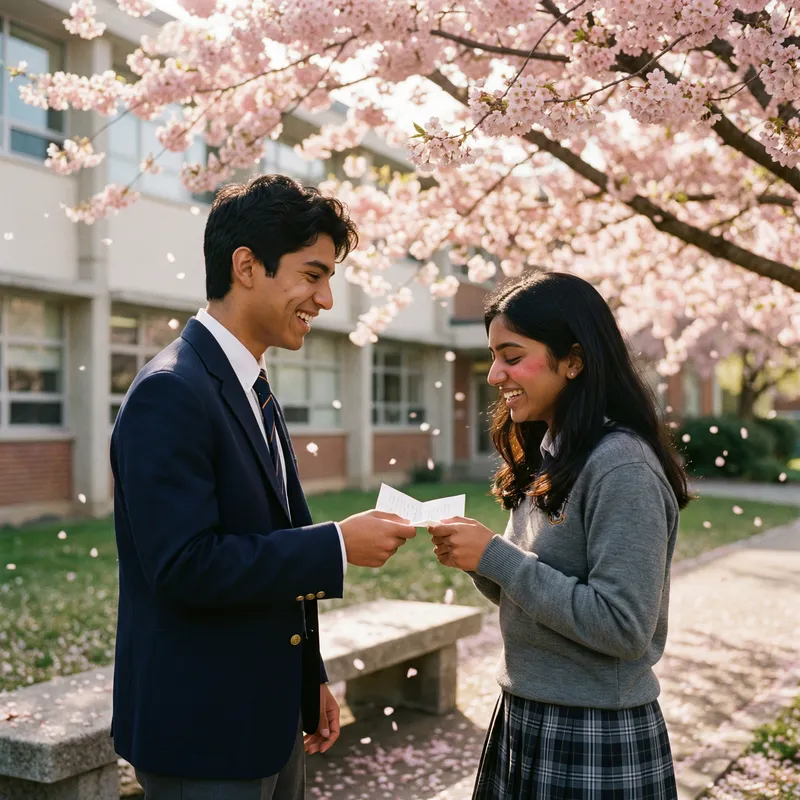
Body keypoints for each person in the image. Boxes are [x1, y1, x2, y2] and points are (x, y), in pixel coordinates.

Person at [110, 174, 417, 800]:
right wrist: (336, 544)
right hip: (205, 735)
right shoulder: (171, 391)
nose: (326, 299)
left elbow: (270, 538)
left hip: (271, 721)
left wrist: (312, 680)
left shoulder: (251, 385)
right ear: (246, 266)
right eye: (312, 275)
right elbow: (184, 566)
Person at [429, 271, 689, 799]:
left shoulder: (622, 466)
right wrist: (477, 558)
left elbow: (622, 626)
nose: (495, 374)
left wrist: (495, 557)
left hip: (593, 732)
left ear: (573, 360)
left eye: (511, 355)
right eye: (493, 357)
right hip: (526, 714)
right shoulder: (552, 452)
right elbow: (534, 587)